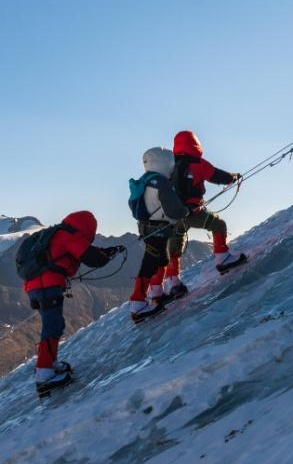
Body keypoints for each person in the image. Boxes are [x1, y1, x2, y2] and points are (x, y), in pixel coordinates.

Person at [18, 213, 123, 384]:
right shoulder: (68, 236)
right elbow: (92, 258)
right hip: (47, 285)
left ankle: (49, 365)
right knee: (52, 326)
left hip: (36, 286)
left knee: (53, 324)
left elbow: (85, 252)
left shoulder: (57, 234)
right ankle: (44, 374)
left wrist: (105, 253)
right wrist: (107, 255)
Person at [168, 131, 247, 278]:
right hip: (193, 211)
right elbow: (217, 175)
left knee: (176, 241)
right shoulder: (197, 163)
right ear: (194, 143)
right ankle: (223, 258)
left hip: (175, 215)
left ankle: (172, 280)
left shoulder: (171, 166)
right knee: (218, 224)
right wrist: (234, 177)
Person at [128, 148, 190, 321]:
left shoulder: (144, 180)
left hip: (145, 228)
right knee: (150, 263)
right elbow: (174, 209)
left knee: (159, 259)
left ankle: (157, 293)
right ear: (164, 162)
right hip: (159, 229)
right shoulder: (161, 182)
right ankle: (138, 303)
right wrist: (185, 211)